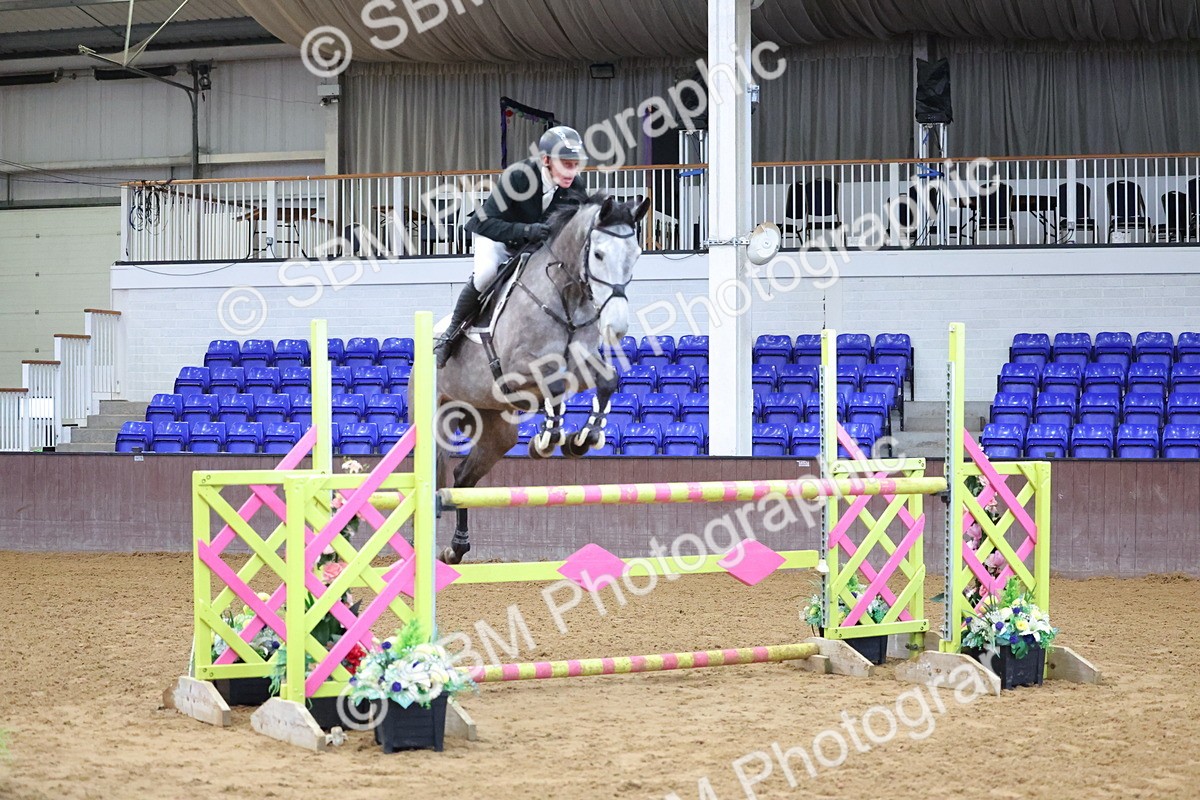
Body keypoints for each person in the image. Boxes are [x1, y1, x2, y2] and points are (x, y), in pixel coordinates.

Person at [434, 125, 589, 367]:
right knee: (486, 275)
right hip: (497, 237)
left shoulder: (576, 186)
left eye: (575, 163)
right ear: (546, 160)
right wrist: (525, 231)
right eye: (565, 163)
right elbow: (486, 222)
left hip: (534, 246)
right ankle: (450, 336)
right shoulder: (518, 176)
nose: (572, 171)